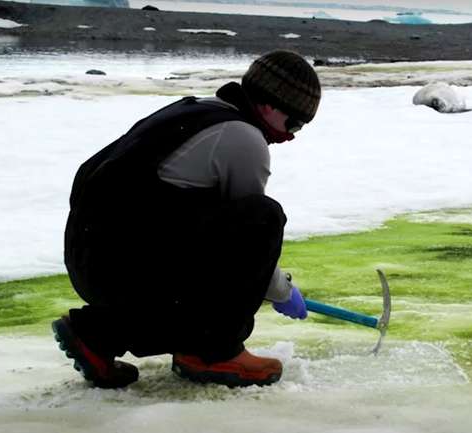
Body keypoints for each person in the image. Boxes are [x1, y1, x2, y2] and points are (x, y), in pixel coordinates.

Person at [51, 50, 321, 389]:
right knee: (265, 218)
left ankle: (96, 335)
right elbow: (249, 241)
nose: (292, 135)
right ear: (269, 105)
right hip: (121, 265)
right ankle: (214, 351)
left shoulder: (196, 111)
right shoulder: (243, 138)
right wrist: (282, 290)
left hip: (94, 259)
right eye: (294, 123)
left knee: (204, 240)